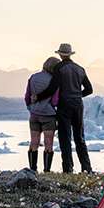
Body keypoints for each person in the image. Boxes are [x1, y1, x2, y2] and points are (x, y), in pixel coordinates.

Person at [34, 43, 93, 173]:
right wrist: (77, 95)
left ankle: (68, 168)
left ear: (60, 54)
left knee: (65, 137)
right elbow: (89, 90)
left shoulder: (59, 68)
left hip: (64, 105)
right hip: (78, 105)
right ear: (70, 54)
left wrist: (38, 97)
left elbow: (52, 89)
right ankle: (87, 168)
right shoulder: (80, 69)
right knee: (79, 137)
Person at [24, 57, 61, 172]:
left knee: (34, 142)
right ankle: (46, 170)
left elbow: (27, 96)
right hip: (48, 115)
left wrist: (31, 108)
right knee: (48, 143)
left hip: (34, 114)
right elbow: (55, 100)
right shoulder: (54, 80)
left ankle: (33, 169)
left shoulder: (33, 77)